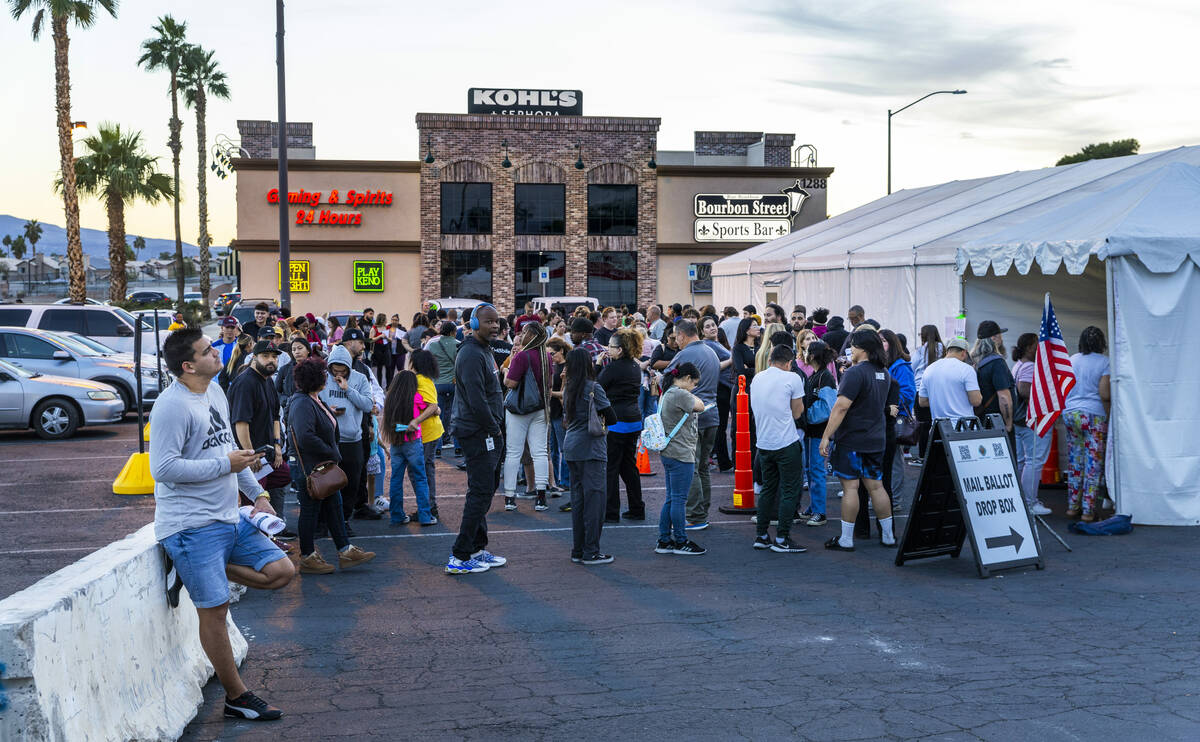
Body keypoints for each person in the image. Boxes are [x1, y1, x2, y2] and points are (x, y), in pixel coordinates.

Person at [150, 328, 294, 722]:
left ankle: (195, 570)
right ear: (188, 365)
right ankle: (237, 696)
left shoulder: (215, 391)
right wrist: (224, 466)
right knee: (214, 609)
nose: (217, 354)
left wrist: (258, 494)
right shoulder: (171, 406)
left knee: (281, 571)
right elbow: (161, 469)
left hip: (230, 516)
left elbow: (230, 450)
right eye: (208, 350)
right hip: (191, 525)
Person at [287, 356, 376, 575]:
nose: (327, 376)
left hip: (321, 466)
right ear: (315, 379)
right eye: (323, 374)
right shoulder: (302, 403)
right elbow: (305, 436)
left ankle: (345, 550)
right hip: (310, 468)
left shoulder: (313, 399)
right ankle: (307, 556)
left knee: (334, 507)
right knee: (310, 511)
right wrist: (332, 451)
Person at [821, 329, 897, 551]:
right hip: (876, 438)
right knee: (877, 486)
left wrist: (826, 436)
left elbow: (841, 406)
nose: (850, 350)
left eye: (853, 346)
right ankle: (889, 536)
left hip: (852, 439)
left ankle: (846, 539)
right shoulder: (884, 372)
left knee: (851, 488)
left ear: (862, 348)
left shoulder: (854, 373)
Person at [447, 303, 508, 574]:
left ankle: (476, 548)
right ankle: (460, 556)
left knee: (485, 490)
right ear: (473, 325)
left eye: (496, 322)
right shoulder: (470, 353)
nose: (494, 326)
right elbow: (476, 399)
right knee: (480, 492)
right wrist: (494, 429)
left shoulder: (485, 350)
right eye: (488, 322)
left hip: (488, 430)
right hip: (477, 432)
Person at [560, 347, 618, 564]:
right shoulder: (593, 387)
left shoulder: (568, 387)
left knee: (578, 500)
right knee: (595, 501)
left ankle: (578, 549)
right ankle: (591, 550)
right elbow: (611, 417)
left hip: (572, 447)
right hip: (591, 447)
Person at [750, 344, 808, 553]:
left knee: (768, 489)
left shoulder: (757, 378)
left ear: (769, 360)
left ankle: (762, 535)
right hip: (786, 442)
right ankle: (783, 538)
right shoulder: (792, 378)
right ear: (789, 362)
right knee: (790, 490)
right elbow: (797, 412)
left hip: (763, 443)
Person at [665, 319, 720, 531]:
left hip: (692, 417)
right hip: (712, 415)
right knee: (703, 467)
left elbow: (668, 380)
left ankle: (696, 515)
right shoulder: (712, 351)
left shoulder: (685, 354)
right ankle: (702, 512)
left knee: (692, 467)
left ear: (681, 335)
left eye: (675, 336)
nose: (674, 341)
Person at [228, 340, 287, 528]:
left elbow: (276, 416)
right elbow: (241, 423)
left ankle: (273, 531)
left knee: (284, 476)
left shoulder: (268, 380)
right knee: (252, 504)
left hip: (268, 453)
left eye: (274, 357)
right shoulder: (245, 383)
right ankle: (256, 543)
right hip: (252, 457)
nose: (271, 361)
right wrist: (250, 454)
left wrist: (277, 445)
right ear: (254, 357)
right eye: (266, 356)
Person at [319, 345, 375, 528]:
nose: (338, 373)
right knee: (328, 484)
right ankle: (327, 521)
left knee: (351, 485)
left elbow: (368, 405)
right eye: (335, 369)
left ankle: (343, 520)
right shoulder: (323, 379)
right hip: (329, 440)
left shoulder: (360, 378)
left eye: (342, 370)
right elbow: (313, 402)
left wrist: (348, 389)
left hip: (353, 440)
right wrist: (328, 410)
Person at [654, 363, 708, 556]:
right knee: (678, 500)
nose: (695, 388)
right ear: (685, 378)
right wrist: (691, 393)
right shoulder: (680, 394)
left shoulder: (668, 391)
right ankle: (681, 540)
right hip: (681, 452)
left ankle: (664, 539)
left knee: (671, 498)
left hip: (669, 451)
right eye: (694, 383)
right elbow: (700, 406)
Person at [502, 322, 552, 512]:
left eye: (523, 332)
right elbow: (549, 384)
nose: (521, 335)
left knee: (513, 452)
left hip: (519, 409)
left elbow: (510, 383)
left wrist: (506, 371)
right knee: (540, 452)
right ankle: (541, 497)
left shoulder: (522, 356)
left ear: (531, 335)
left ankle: (509, 497)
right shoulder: (546, 356)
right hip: (540, 408)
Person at [1063, 326, 1111, 521]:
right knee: (1093, 464)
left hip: (1071, 413)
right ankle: (1088, 511)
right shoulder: (1104, 362)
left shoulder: (1071, 360)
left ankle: (1072, 507)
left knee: (1075, 461)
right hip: (1093, 415)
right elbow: (1105, 393)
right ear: (1101, 343)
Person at [598, 327, 646, 521]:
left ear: (620, 349)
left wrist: (598, 364)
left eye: (611, 346)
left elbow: (597, 386)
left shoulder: (613, 367)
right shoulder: (635, 366)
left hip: (617, 422)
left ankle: (611, 512)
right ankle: (637, 508)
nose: (608, 349)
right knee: (629, 466)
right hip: (633, 420)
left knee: (611, 468)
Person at [382, 370, 439, 525]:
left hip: (396, 442)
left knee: (396, 479)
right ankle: (425, 516)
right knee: (420, 478)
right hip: (413, 442)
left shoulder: (390, 398)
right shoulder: (416, 397)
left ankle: (396, 515)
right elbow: (435, 409)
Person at [1011, 332, 1053, 515]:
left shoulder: (1018, 365)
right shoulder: (1029, 366)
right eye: (1037, 345)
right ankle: (1030, 503)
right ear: (1029, 347)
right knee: (1034, 461)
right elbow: (1024, 390)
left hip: (1019, 420)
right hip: (1031, 419)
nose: (1040, 348)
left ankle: (1022, 500)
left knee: (1023, 461)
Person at [800, 340, 837, 526]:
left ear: (813, 355)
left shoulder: (825, 377)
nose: (804, 353)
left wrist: (808, 415)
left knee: (816, 470)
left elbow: (829, 408)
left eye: (806, 351)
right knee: (810, 469)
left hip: (818, 432)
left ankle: (820, 512)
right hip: (811, 432)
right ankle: (814, 507)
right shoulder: (816, 375)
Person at [408, 348, 445, 520]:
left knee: (419, 471)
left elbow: (432, 406)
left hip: (427, 433)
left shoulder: (421, 380)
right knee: (423, 469)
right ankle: (428, 506)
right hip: (430, 431)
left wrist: (415, 421)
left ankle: (428, 507)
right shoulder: (424, 379)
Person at [880, 328, 915, 508]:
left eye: (884, 341)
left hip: (895, 418)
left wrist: (889, 404)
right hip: (882, 419)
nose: (880, 344)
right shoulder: (880, 364)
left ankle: (895, 499)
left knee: (894, 460)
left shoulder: (900, 366)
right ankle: (884, 497)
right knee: (884, 459)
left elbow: (909, 393)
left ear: (892, 344)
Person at [917, 338, 982, 426]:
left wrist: (942, 402)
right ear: (964, 353)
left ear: (947, 352)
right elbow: (976, 401)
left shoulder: (929, 369)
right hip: (963, 428)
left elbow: (922, 401)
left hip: (938, 429)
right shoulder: (966, 369)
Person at [700, 315, 734, 472]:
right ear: (702, 331)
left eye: (713, 325)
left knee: (722, 426)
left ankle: (723, 459)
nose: (712, 328)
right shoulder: (708, 345)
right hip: (720, 387)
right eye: (707, 326)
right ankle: (723, 461)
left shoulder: (716, 343)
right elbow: (714, 366)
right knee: (720, 426)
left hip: (727, 386)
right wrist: (732, 359)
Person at [972, 321, 1015, 443]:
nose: (1001, 338)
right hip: (997, 422)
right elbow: (1004, 397)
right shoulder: (997, 362)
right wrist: (1008, 424)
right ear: (994, 338)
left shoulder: (974, 361)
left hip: (981, 421)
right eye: (1000, 335)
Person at [546, 337, 573, 508]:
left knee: (563, 448)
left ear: (561, 351)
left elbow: (566, 394)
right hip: (553, 412)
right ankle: (554, 481)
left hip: (562, 413)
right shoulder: (554, 366)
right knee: (553, 449)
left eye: (552, 354)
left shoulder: (567, 367)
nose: (550, 357)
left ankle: (565, 481)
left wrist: (550, 393)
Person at [911, 324, 943, 461]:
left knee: (922, 425)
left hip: (920, 390)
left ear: (923, 336)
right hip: (938, 390)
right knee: (935, 423)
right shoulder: (943, 349)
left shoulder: (919, 351)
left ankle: (922, 456)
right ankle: (935, 455)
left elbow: (911, 367)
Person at [428, 320, 460, 453]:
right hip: (454, 383)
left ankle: (437, 447)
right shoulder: (459, 345)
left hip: (438, 383)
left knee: (437, 415)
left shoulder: (433, 345)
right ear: (453, 332)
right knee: (455, 414)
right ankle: (458, 447)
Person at [731, 317, 760, 453]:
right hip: (742, 390)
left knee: (755, 425)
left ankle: (754, 459)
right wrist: (757, 370)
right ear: (747, 330)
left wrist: (750, 369)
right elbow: (740, 370)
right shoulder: (738, 348)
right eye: (754, 326)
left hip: (757, 389)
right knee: (740, 426)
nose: (758, 328)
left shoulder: (760, 346)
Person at [276, 338, 310, 417]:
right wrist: (286, 400)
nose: (297, 352)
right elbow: (277, 391)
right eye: (293, 349)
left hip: (309, 408)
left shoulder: (315, 368)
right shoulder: (284, 369)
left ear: (308, 350)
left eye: (300, 348)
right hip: (288, 410)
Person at [370, 314, 392, 387]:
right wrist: (379, 336)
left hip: (386, 347)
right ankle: (379, 385)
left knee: (388, 366)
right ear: (382, 320)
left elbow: (391, 339)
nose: (386, 320)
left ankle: (388, 385)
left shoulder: (388, 328)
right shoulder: (374, 328)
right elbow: (371, 339)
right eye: (385, 319)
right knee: (379, 368)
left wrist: (386, 337)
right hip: (377, 348)